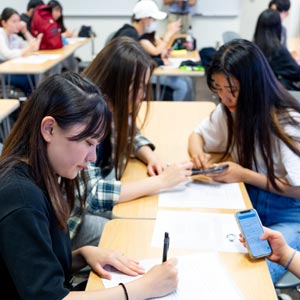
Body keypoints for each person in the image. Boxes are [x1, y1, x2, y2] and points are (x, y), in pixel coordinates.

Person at [0, 71, 178, 298]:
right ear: (49, 129)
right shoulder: (21, 198)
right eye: (87, 142)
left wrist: (82, 255)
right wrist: (141, 289)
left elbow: (33, 269)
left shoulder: (43, 175)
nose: (93, 156)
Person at [188, 39, 300, 283]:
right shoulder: (229, 110)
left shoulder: (286, 121)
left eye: (232, 90)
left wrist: (244, 174)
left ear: (253, 85)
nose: (225, 98)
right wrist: (198, 153)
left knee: (253, 277)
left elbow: (298, 188)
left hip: (289, 214)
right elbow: (197, 134)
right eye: (217, 88)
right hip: (250, 204)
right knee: (203, 247)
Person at [68, 36, 193, 249]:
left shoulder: (109, 104)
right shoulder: (84, 116)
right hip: (69, 218)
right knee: (130, 236)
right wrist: (162, 181)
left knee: (138, 222)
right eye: (141, 87)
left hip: (83, 201)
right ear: (119, 85)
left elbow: (129, 132)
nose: (143, 95)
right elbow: (93, 194)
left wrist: (150, 156)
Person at [111, 0, 192, 101]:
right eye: (154, 20)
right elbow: (137, 64)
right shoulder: (129, 35)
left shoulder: (137, 34)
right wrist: (161, 61)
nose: (155, 23)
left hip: (133, 76)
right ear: (145, 19)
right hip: (124, 81)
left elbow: (142, 59)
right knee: (182, 85)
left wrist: (160, 58)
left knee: (186, 81)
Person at [253, 8, 300, 91]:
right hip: (277, 92)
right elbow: (297, 73)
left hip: (261, 91)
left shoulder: (253, 47)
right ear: (277, 27)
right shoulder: (278, 50)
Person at [139, 30, 193, 101]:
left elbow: (160, 52)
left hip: (157, 70)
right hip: (150, 74)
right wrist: (168, 34)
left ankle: (187, 106)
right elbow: (154, 54)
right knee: (182, 86)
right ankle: (173, 108)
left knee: (187, 80)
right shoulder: (143, 41)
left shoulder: (152, 37)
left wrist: (165, 54)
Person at [0, 7, 42, 96]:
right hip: (3, 73)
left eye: (18, 21)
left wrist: (25, 31)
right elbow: (6, 54)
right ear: (4, 23)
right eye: (14, 21)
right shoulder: (0, 34)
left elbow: (34, 47)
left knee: (34, 76)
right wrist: (28, 49)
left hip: (12, 70)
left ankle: (32, 104)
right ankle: (30, 105)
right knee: (27, 80)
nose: (18, 24)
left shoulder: (13, 36)